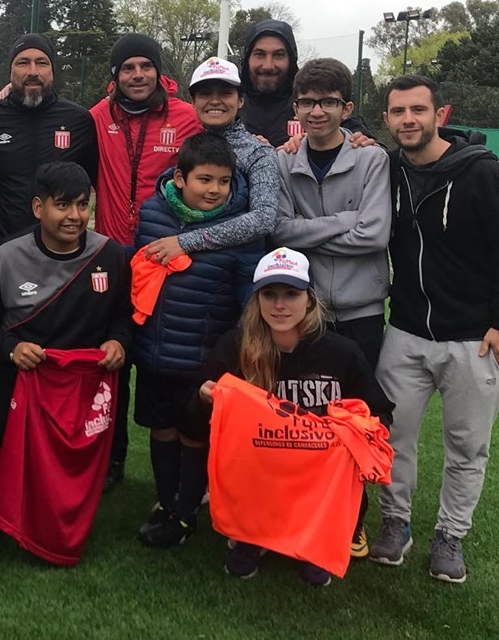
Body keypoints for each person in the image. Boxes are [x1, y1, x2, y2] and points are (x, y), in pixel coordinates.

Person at [0, 161, 131, 562]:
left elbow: (123, 316)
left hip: (76, 393)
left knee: (57, 495)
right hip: (13, 381)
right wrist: (11, 349)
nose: (74, 216)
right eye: (62, 205)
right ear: (38, 207)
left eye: (82, 205)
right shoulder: (6, 257)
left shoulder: (109, 255)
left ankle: (7, 468)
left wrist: (118, 341)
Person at [186, 247, 393, 586]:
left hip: (315, 479)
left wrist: (358, 433)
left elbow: (379, 413)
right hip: (260, 470)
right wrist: (205, 398)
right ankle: (252, 537)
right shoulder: (236, 346)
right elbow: (193, 412)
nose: (279, 305)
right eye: (269, 294)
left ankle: (314, 543)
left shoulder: (341, 352)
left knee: (315, 565)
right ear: (256, 299)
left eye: (291, 294)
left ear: (309, 299)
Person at [368, 75, 499, 584]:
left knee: (467, 446)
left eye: (418, 110)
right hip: (404, 330)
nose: (408, 120)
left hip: (472, 338)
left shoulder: (482, 172)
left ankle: (451, 535)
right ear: (386, 119)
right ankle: (395, 523)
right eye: (398, 111)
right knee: (391, 435)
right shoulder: (387, 168)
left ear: (440, 114)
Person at [271, 58, 391, 558]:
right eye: (307, 102)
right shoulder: (283, 161)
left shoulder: (371, 158)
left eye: (327, 102)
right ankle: (297, 513)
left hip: (362, 310)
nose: (316, 111)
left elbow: (375, 234)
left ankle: (351, 518)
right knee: (302, 419)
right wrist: (346, 220)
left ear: (347, 107)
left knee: (355, 419)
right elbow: (279, 229)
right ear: (295, 107)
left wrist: (312, 232)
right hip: (308, 309)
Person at [132, 131, 263, 547]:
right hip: (154, 353)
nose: (215, 190)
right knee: (161, 429)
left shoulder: (240, 228)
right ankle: (166, 501)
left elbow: (249, 299)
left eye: (223, 181)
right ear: (180, 178)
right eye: (205, 179)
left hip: (203, 359)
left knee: (194, 434)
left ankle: (186, 513)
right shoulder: (152, 213)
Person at [89, 33, 202, 492]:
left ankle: (180, 472)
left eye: (145, 66)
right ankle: (110, 458)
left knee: (165, 365)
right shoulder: (97, 117)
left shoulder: (187, 117)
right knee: (109, 364)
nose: (137, 75)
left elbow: (222, 153)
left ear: (159, 71)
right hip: (112, 259)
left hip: (164, 261)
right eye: (128, 68)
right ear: (115, 75)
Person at [0, 33, 97, 274]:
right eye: (22, 62)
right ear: (10, 71)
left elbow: (96, 182)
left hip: (61, 261)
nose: (32, 71)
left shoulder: (78, 120)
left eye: (41, 63)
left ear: (52, 70)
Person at [145, 58, 278, 271]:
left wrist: (187, 241)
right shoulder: (186, 144)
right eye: (205, 94)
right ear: (194, 102)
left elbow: (264, 219)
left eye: (225, 93)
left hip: (234, 275)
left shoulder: (258, 153)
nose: (215, 101)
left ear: (240, 100)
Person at [239, 20, 372, 147]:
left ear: (291, 60)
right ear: (247, 58)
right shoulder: (232, 106)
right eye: (260, 54)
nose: (268, 66)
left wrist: (363, 142)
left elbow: (370, 147)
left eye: (278, 55)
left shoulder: (309, 102)